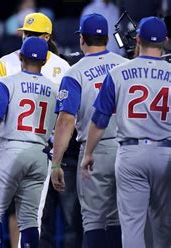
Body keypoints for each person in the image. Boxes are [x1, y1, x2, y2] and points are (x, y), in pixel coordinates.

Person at [80, 16, 171, 248]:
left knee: (131, 226)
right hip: (166, 153)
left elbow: (99, 119)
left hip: (131, 153)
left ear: (138, 39)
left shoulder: (119, 72)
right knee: (164, 227)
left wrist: (89, 152)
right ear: (165, 41)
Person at [0, 36, 58, 248]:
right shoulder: (54, 88)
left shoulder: (7, 83)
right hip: (39, 153)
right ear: (44, 61)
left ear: (21, 57)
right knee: (29, 220)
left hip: (11, 149)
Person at [51, 13, 127, 248]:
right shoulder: (126, 65)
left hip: (96, 151)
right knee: (119, 220)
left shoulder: (75, 72)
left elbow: (66, 120)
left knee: (94, 220)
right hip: (127, 148)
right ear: (106, 38)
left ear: (82, 38)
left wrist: (56, 162)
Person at [0, 12, 70, 247]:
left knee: (32, 212)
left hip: (41, 145)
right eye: (26, 33)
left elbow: (66, 115)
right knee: (0, 209)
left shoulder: (62, 66)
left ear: (47, 37)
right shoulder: (6, 62)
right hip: (10, 142)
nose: (28, 38)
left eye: (34, 34)